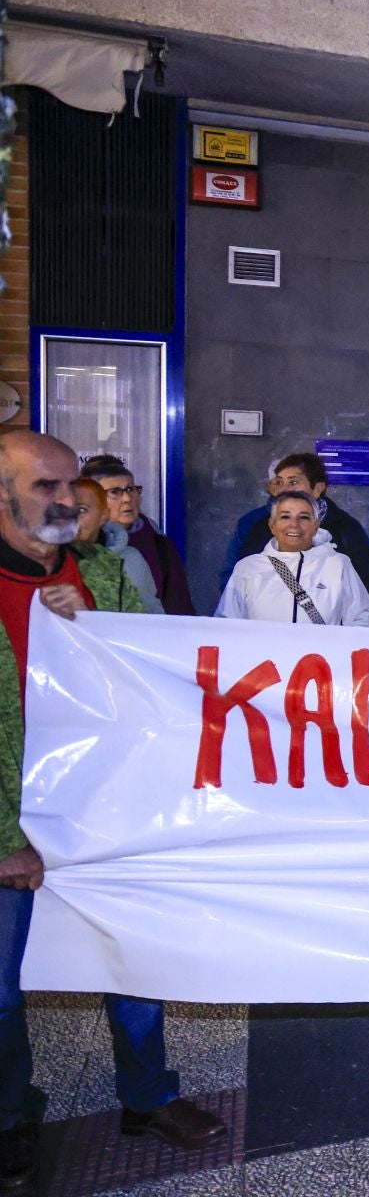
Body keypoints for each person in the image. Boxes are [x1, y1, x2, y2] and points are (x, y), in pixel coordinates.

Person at [0, 432, 228, 1183]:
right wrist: (5, 839)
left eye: (73, 487)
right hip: (12, 831)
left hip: (105, 815)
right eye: (45, 487)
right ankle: (10, 1117)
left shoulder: (105, 573)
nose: (68, 501)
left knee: (134, 968)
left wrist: (91, 625)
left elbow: (155, 684)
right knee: (2, 993)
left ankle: (148, 1096)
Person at [217, 453, 369, 611]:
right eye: (279, 482)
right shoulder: (258, 526)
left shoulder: (345, 529)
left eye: (293, 482)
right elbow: (234, 585)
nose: (284, 489)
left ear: (317, 489)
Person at [214, 491, 369, 626]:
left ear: (316, 526)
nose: (294, 524)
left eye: (304, 517)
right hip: (263, 664)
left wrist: (341, 653)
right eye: (285, 517)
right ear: (272, 525)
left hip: (320, 663)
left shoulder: (338, 564)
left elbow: (362, 617)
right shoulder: (248, 567)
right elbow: (227, 623)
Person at [79, 455, 194, 615]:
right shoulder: (77, 546)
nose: (127, 498)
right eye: (114, 492)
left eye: (130, 489)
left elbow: (178, 606)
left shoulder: (157, 542)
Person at [73, 478, 162, 614]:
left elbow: (151, 616)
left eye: (82, 509)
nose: (72, 517)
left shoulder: (129, 559)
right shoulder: (50, 560)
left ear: (104, 515)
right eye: (64, 509)